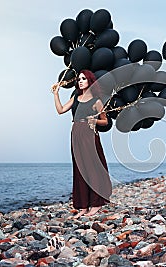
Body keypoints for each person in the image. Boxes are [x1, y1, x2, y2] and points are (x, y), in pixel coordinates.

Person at [51, 70, 112, 218]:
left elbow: (105, 121)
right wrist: (56, 94)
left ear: (90, 81)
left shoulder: (96, 100)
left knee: (92, 168)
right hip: (76, 134)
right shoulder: (76, 98)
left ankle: (96, 204)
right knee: (79, 169)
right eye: (79, 79)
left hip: (89, 135)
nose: (80, 81)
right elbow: (60, 110)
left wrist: (95, 121)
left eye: (83, 79)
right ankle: (83, 206)